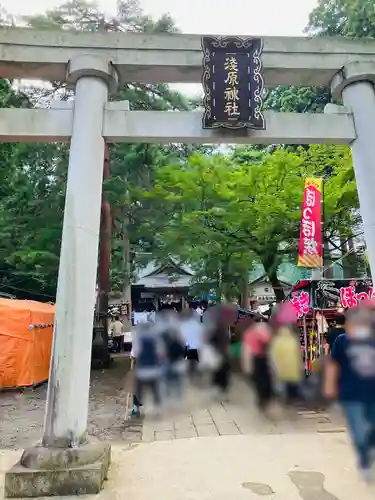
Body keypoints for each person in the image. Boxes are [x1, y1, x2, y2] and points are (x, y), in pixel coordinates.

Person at [324, 305, 375, 482]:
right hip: (351, 395)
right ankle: (364, 462)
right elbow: (333, 365)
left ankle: (369, 451)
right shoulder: (342, 341)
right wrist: (330, 388)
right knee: (359, 431)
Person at [269, 303, 303, 405]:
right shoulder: (292, 339)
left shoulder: (276, 340)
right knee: (290, 390)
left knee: (284, 390)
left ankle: (286, 402)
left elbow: (272, 357)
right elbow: (297, 355)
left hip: (283, 371)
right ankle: (290, 401)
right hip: (291, 371)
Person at [131, 321, 165, 416]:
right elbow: (161, 354)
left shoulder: (138, 340)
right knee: (156, 390)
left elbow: (134, 354)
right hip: (154, 370)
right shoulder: (157, 340)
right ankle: (158, 409)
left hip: (142, 371)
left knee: (137, 389)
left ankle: (135, 408)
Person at [242, 318, 273, 411]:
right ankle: (265, 398)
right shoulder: (265, 331)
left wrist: (246, 365)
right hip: (263, 358)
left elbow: (246, 350)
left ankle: (261, 398)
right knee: (265, 378)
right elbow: (268, 342)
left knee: (258, 379)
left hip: (254, 359)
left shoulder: (248, 333)